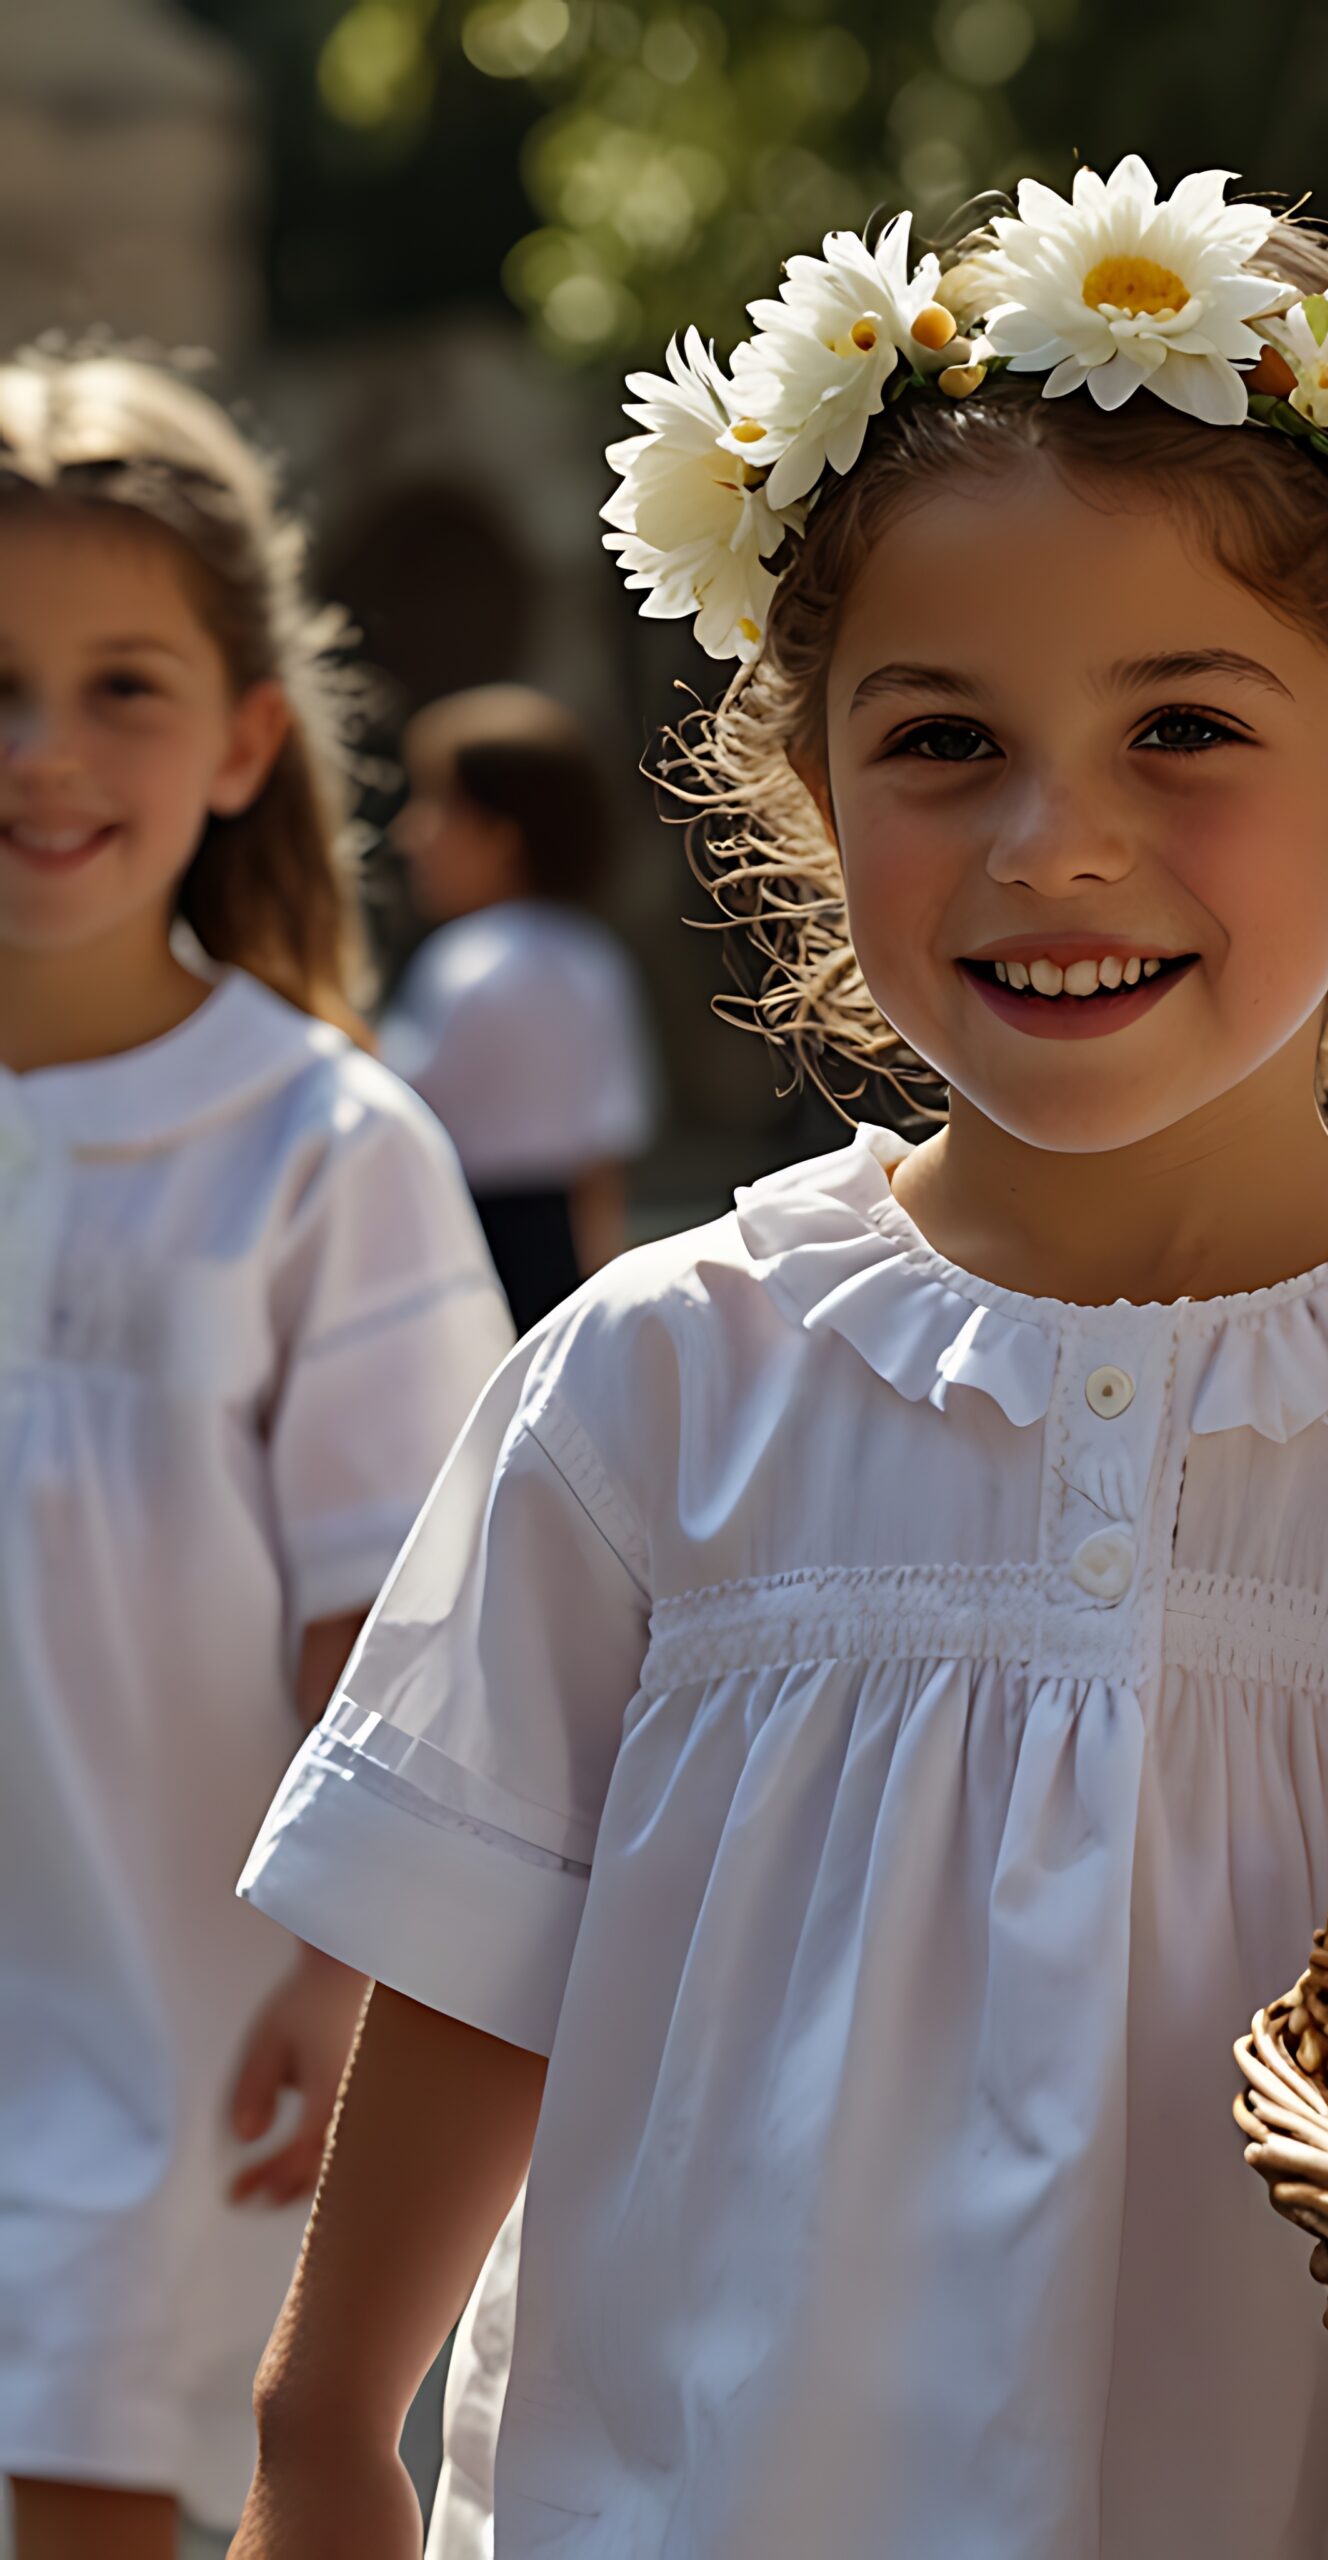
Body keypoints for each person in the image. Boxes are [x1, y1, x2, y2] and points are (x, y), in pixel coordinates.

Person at [228, 161, 1328, 2560]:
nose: (1052, 842)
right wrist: (323, 2432)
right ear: (814, 783)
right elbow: (475, 1951)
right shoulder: (662, 1382)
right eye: (943, 738)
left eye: (1182, 727)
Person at [0, 349, 512, 2560]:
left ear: (239, 739)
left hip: (181, 2030)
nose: (43, 748)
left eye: (119, 686)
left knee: (94, 2490)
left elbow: (394, 1617)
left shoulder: (321, 1150)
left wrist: (344, 1969)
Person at [380, 685, 657, 1331]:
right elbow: (602, 1157)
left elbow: (395, 1112)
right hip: (559, 1250)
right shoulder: (594, 958)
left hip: (465, 1244)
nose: (410, 833)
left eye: (436, 806)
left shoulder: (466, 961)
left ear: (500, 836)